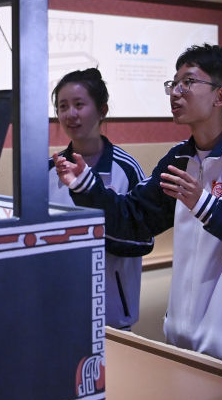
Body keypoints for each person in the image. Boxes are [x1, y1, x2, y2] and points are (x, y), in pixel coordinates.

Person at [55, 44, 222, 376]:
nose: (175, 92)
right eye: (173, 84)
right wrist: (87, 186)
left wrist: (208, 205)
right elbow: (134, 218)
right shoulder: (178, 158)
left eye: (188, 82)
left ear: (220, 96)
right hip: (183, 342)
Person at [48, 68, 153, 330]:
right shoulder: (48, 170)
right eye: (63, 106)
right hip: (58, 309)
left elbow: (142, 237)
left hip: (111, 314)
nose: (70, 114)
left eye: (79, 104)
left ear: (102, 110)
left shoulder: (127, 169)